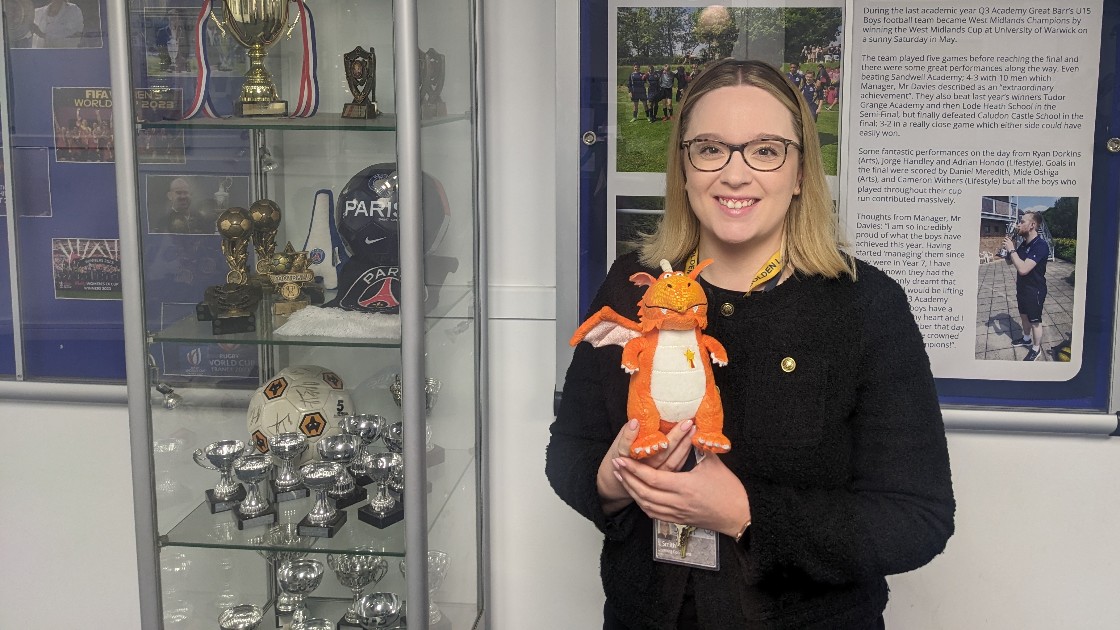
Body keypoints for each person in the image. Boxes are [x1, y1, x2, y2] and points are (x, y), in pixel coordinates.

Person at [547, 58, 954, 629]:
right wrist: (611, 479)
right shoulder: (630, 284)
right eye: (710, 148)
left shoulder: (865, 305)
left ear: (801, 172)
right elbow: (569, 449)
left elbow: (917, 519)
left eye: (765, 150)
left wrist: (744, 513)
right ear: (683, 169)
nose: (734, 175)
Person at [1003, 211, 1049, 361]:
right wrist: (1007, 251)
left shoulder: (1040, 246)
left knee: (1035, 321)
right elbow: (1011, 262)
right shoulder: (1023, 244)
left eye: (1022, 222)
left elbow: (1023, 269)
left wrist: (1011, 249)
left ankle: (1036, 349)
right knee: (1023, 316)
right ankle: (1026, 338)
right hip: (1022, 288)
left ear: (1032, 225)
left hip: (1035, 290)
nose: (1018, 225)